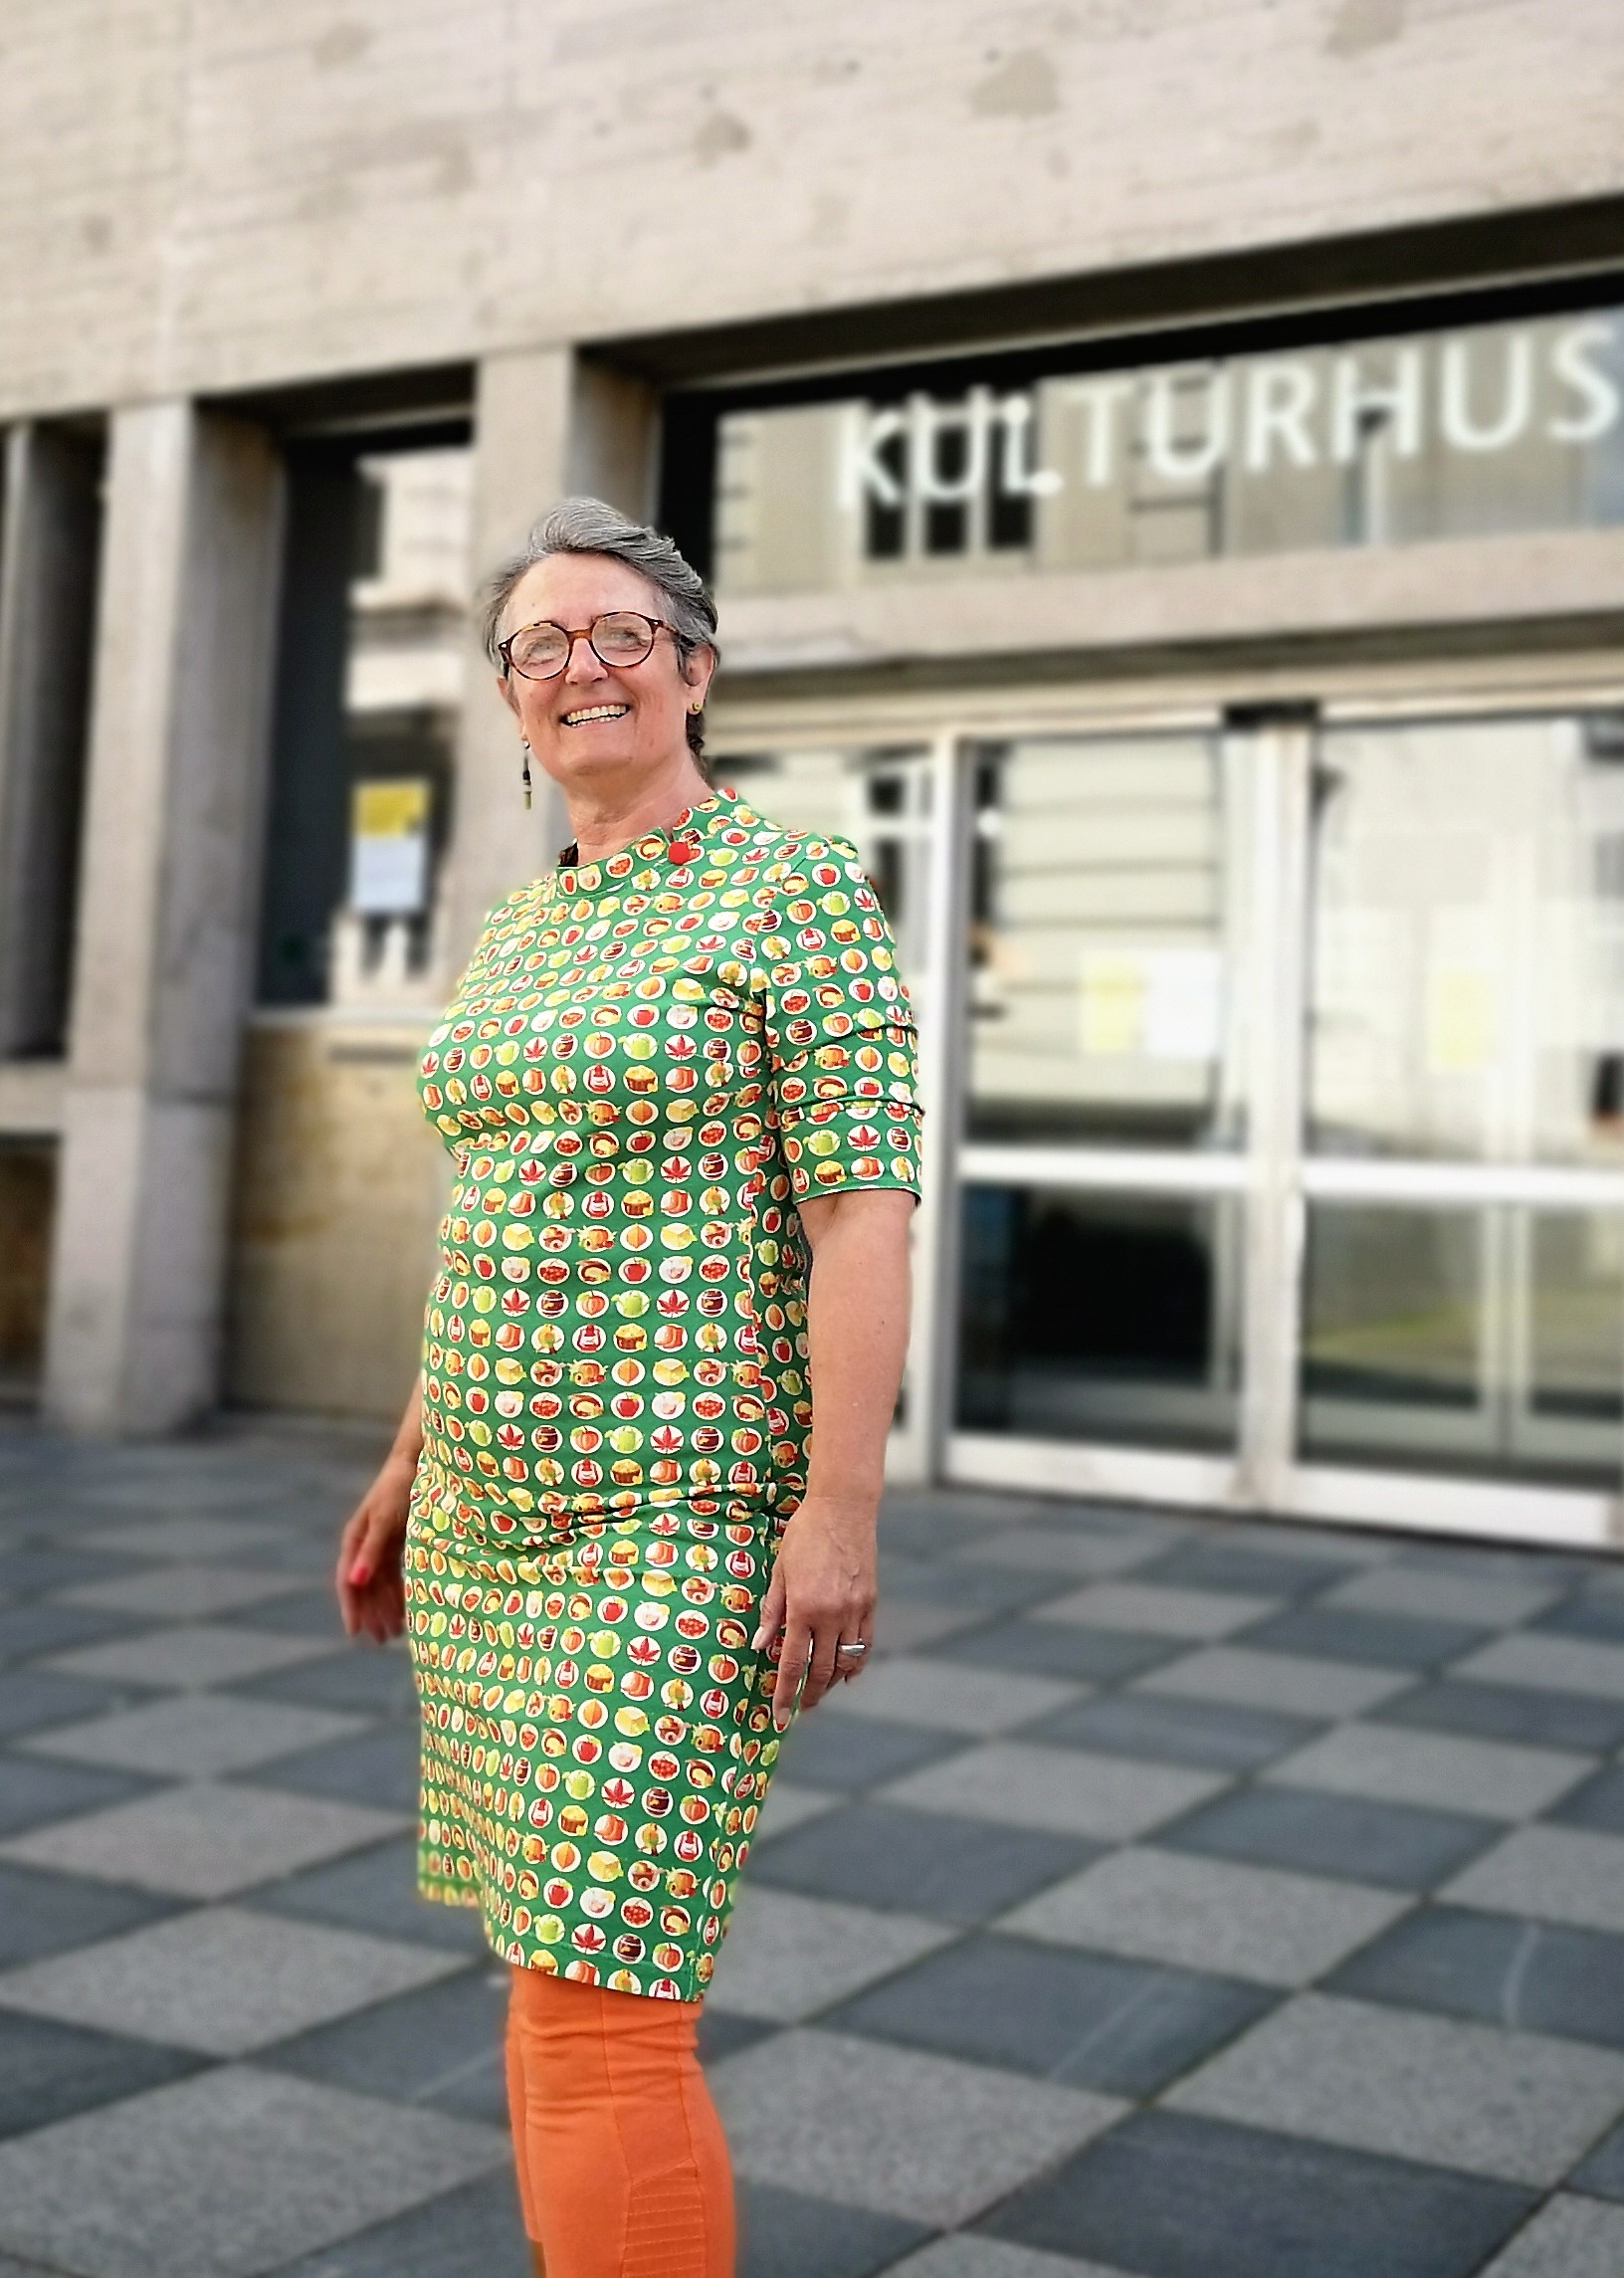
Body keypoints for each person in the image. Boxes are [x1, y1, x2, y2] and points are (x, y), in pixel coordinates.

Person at [334, 497, 920, 2278]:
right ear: (512, 702)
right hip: (491, 1528)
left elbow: (862, 1210)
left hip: (672, 1524)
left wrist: (837, 1512)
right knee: (548, 1972)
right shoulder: (522, 934)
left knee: (606, 2010)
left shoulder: (793, 884)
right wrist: (407, 1456)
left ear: (694, 671)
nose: (580, 666)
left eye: (620, 636)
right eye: (540, 645)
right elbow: (496, 1201)